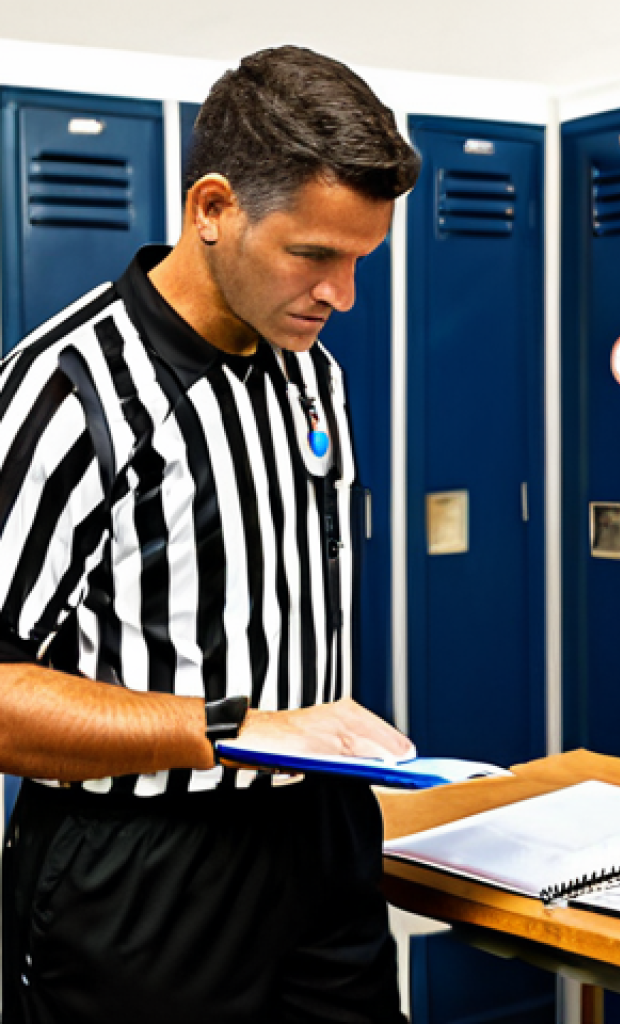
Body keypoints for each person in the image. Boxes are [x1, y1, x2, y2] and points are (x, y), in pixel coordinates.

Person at [0, 45, 421, 1023]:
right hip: (141, 872)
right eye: (313, 255)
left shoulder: (314, 374)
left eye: (361, 260)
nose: (341, 295)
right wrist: (228, 729)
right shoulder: (65, 391)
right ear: (212, 209)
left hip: (321, 840)